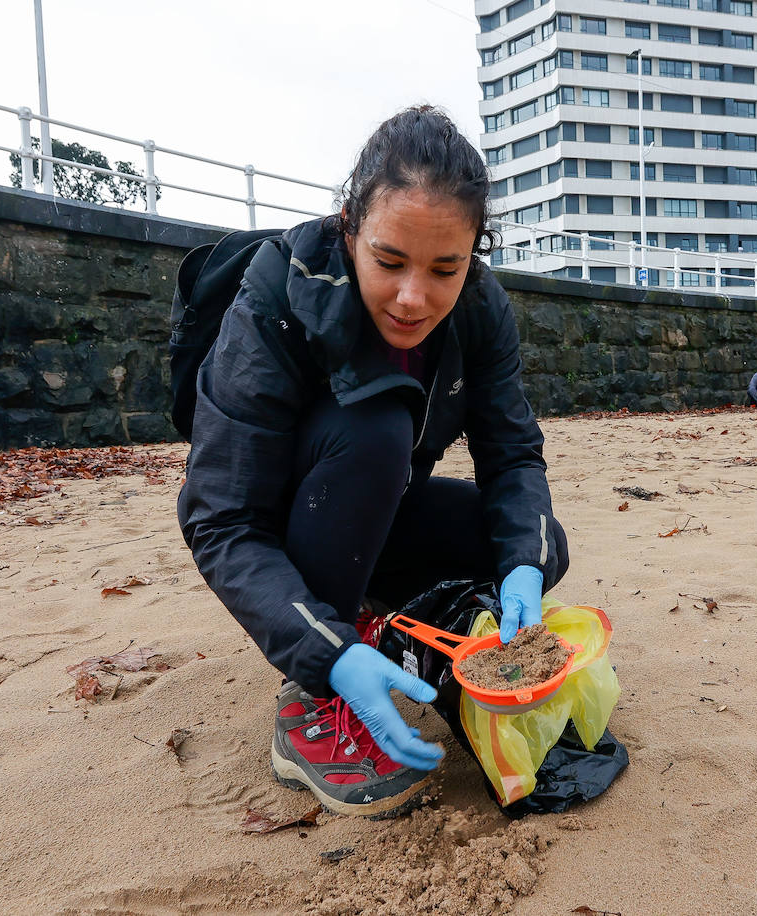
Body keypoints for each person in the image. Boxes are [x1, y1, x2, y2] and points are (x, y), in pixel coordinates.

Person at [177, 106, 569, 818]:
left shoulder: (481, 309)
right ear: (349, 228)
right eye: (389, 262)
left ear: (473, 255)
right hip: (288, 525)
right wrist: (322, 653)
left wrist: (521, 566)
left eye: (445, 268)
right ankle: (314, 703)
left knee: (536, 546)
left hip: (379, 510)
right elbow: (222, 519)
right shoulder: (277, 295)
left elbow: (512, 455)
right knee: (378, 430)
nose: (414, 297)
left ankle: (377, 618)